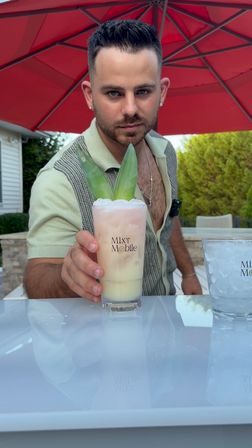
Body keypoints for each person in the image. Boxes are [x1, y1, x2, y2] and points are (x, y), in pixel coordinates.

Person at [24, 19, 202, 300]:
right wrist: (66, 275)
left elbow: (170, 217)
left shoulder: (165, 150)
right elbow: (36, 278)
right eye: (114, 93)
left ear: (162, 91)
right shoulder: (59, 179)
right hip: (105, 338)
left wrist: (189, 273)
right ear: (89, 95)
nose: (130, 109)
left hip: (170, 324)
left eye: (143, 91)